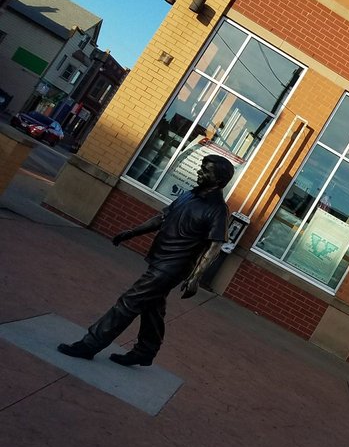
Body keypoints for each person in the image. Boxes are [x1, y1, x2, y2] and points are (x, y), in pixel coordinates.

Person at [57, 155, 235, 367]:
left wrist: (196, 277)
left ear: (218, 180)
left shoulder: (218, 210)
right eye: (201, 167)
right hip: (160, 258)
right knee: (153, 306)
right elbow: (161, 218)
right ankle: (145, 351)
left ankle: (89, 345)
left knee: (129, 302)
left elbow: (215, 246)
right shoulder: (189, 195)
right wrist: (132, 232)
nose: (199, 172)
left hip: (173, 267)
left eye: (206, 170)